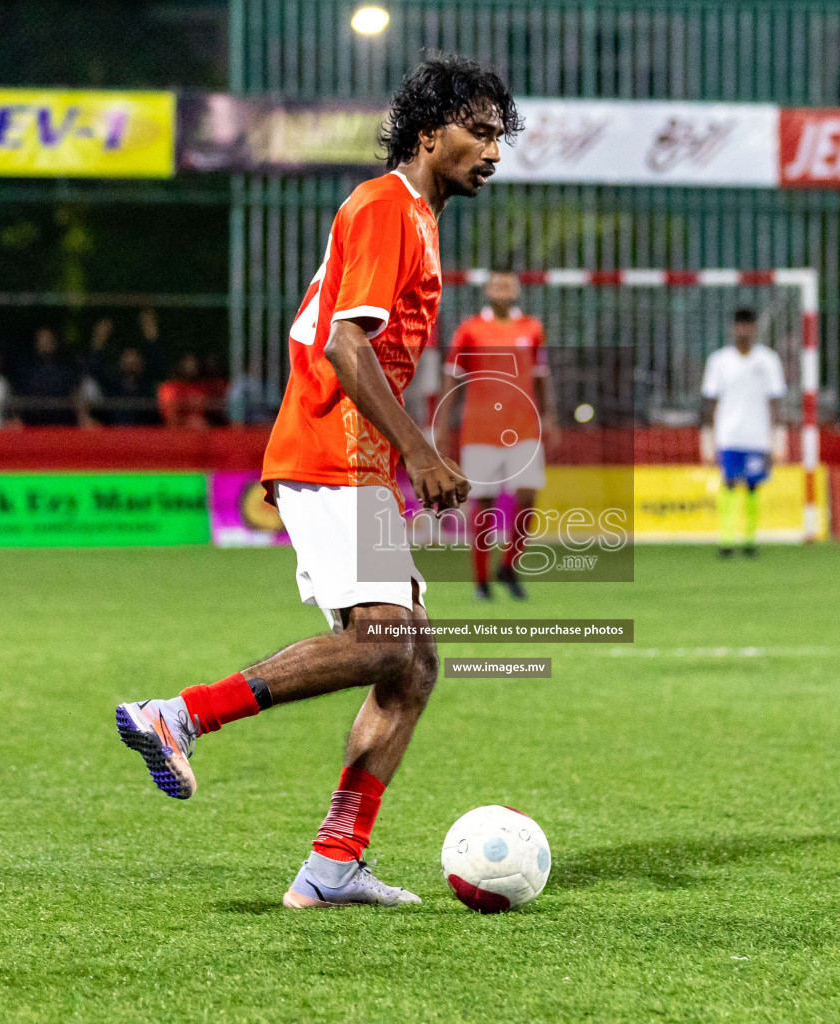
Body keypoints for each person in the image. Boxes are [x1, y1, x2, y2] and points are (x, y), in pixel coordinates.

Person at [113, 56, 518, 909]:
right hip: (336, 447)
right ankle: (178, 715)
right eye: (478, 131)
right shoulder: (384, 208)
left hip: (359, 458)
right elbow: (345, 344)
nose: (493, 149)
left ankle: (335, 864)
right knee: (382, 643)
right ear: (426, 132)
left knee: (410, 664)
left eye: (499, 135)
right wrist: (417, 451)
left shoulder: (417, 218)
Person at [435, 268, 557, 600]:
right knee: (484, 505)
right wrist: (441, 425)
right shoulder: (470, 330)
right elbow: (452, 378)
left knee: (528, 497)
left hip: (525, 429)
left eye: (508, 283)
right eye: (497, 283)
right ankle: (480, 581)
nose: (503, 288)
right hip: (480, 431)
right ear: (487, 290)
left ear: (517, 289)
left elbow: (541, 374)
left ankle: (509, 565)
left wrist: (549, 416)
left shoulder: (532, 329)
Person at [699, 307, 786, 558]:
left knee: (752, 486)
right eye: (739, 325)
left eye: (748, 325)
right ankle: (726, 540)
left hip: (757, 436)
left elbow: (775, 402)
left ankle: (749, 540)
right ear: (732, 328)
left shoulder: (768, 360)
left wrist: (777, 439)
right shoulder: (719, 361)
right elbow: (708, 401)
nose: (743, 330)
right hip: (729, 434)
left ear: (755, 328)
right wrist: (707, 439)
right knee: (728, 483)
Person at [15, 327, 79, 427]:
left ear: (55, 342)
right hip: (33, 424)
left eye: (49, 340)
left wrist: (83, 416)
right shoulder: (27, 369)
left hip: (61, 424)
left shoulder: (66, 368)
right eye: (42, 340)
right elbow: (19, 397)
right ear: (36, 343)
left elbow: (74, 392)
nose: (46, 343)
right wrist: (17, 418)